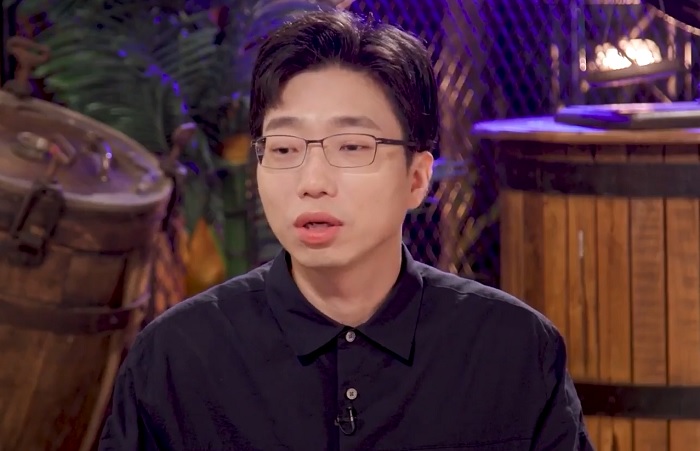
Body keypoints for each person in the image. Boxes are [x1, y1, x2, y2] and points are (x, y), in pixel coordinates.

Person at [98, 9, 593, 451]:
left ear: (417, 178)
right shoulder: (178, 357)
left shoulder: (512, 350)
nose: (312, 183)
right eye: (285, 149)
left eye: (352, 147)